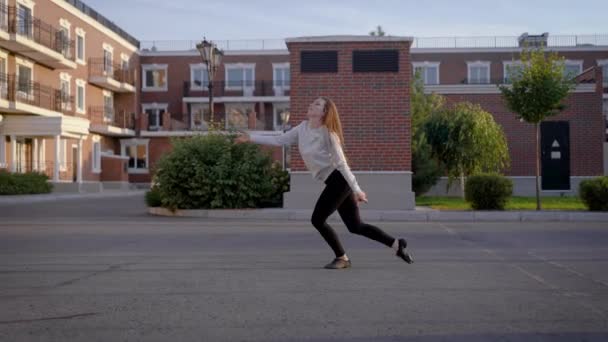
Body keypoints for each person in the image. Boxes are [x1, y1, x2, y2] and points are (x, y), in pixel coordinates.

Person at [235, 97, 413, 269]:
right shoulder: (302, 128)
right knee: (355, 226)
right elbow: (279, 140)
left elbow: (342, 164)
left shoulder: (329, 133)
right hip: (334, 182)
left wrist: (357, 189)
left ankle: (342, 257)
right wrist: (250, 137)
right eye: (312, 103)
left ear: (324, 112)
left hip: (339, 181)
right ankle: (397, 245)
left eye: (317, 104)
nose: (311, 105)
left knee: (317, 220)